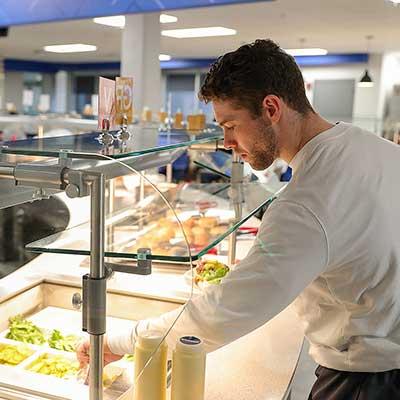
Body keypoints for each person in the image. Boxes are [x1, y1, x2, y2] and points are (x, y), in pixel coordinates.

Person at [77, 39, 400, 399]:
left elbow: (223, 312)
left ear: (271, 108)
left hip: (367, 381)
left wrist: (123, 341)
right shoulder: (376, 148)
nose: (227, 141)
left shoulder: (306, 202)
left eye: (230, 124)